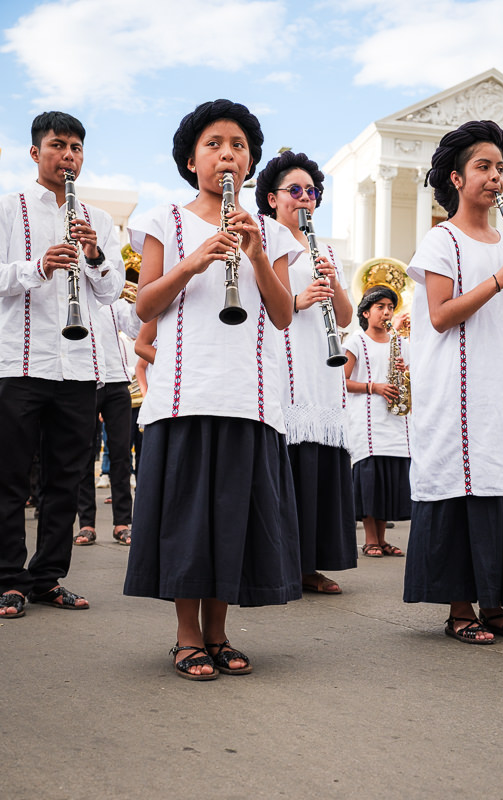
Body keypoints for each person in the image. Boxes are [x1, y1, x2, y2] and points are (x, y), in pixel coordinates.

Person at [123, 99, 302, 681]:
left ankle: (220, 633)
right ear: (191, 157)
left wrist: (255, 255)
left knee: (233, 518)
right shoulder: (165, 220)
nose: (227, 154)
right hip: (184, 392)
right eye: (213, 144)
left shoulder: (271, 232)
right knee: (187, 517)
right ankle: (185, 636)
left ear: (250, 161)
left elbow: (281, 317)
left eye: (239, 145)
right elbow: (145, 306)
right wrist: (195, 262)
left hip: (250, 397)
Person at [402, 119, 503, 644]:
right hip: (459, 392)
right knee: (465, 491)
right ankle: (459, 609)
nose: (495, 177)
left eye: (500, 168)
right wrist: (499, 277)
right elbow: (441, 315)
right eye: (483, 167)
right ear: (457, 178)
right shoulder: (441, 239)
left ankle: (496, 604)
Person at [0, 111, 124, 618]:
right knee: (9, 477)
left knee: (66, 478)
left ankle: (47, 576)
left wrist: (92, 253)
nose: (68, 155)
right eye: (58, 145)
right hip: (20, 363)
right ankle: (8, 578)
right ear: (36, 153)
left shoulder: (99, 219)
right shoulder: (8, 209)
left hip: (78, 368)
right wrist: (37, 267)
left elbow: (111, 292)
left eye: (75, 147)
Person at [255, 151, 356, 594]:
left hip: (322, 368)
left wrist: (331, 284)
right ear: (273, 199)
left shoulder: (324, 249)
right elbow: (264, 308)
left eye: (311, 192)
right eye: (293, 191)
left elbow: (348, 316)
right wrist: (298, 301)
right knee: (288, 468)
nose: (304, 199)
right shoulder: (260, 239)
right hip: (282, 364)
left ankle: (311, 564)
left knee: (318, 468)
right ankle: (282, 565)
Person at [344, 287, 411, 558]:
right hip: (367, 421)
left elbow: (413, 379)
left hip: (395, 422)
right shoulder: (355, 341)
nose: (386, 312)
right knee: (372, 480)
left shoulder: (401, 342)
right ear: (365, 312)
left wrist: (405, 372)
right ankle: (370, 539)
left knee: (388, 480)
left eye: (390, 307)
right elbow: (342, 381)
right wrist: (374, 386)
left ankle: (382, 540)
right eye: (380, 306)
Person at [74, 298, 141, 546]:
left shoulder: (116, 301)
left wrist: (140, 298)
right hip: (83, 379)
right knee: (84, 454)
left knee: (122, 454)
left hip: (116, 380)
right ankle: (86, 524)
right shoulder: (76, 295)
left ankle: (122, 523)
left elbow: (135, 329)